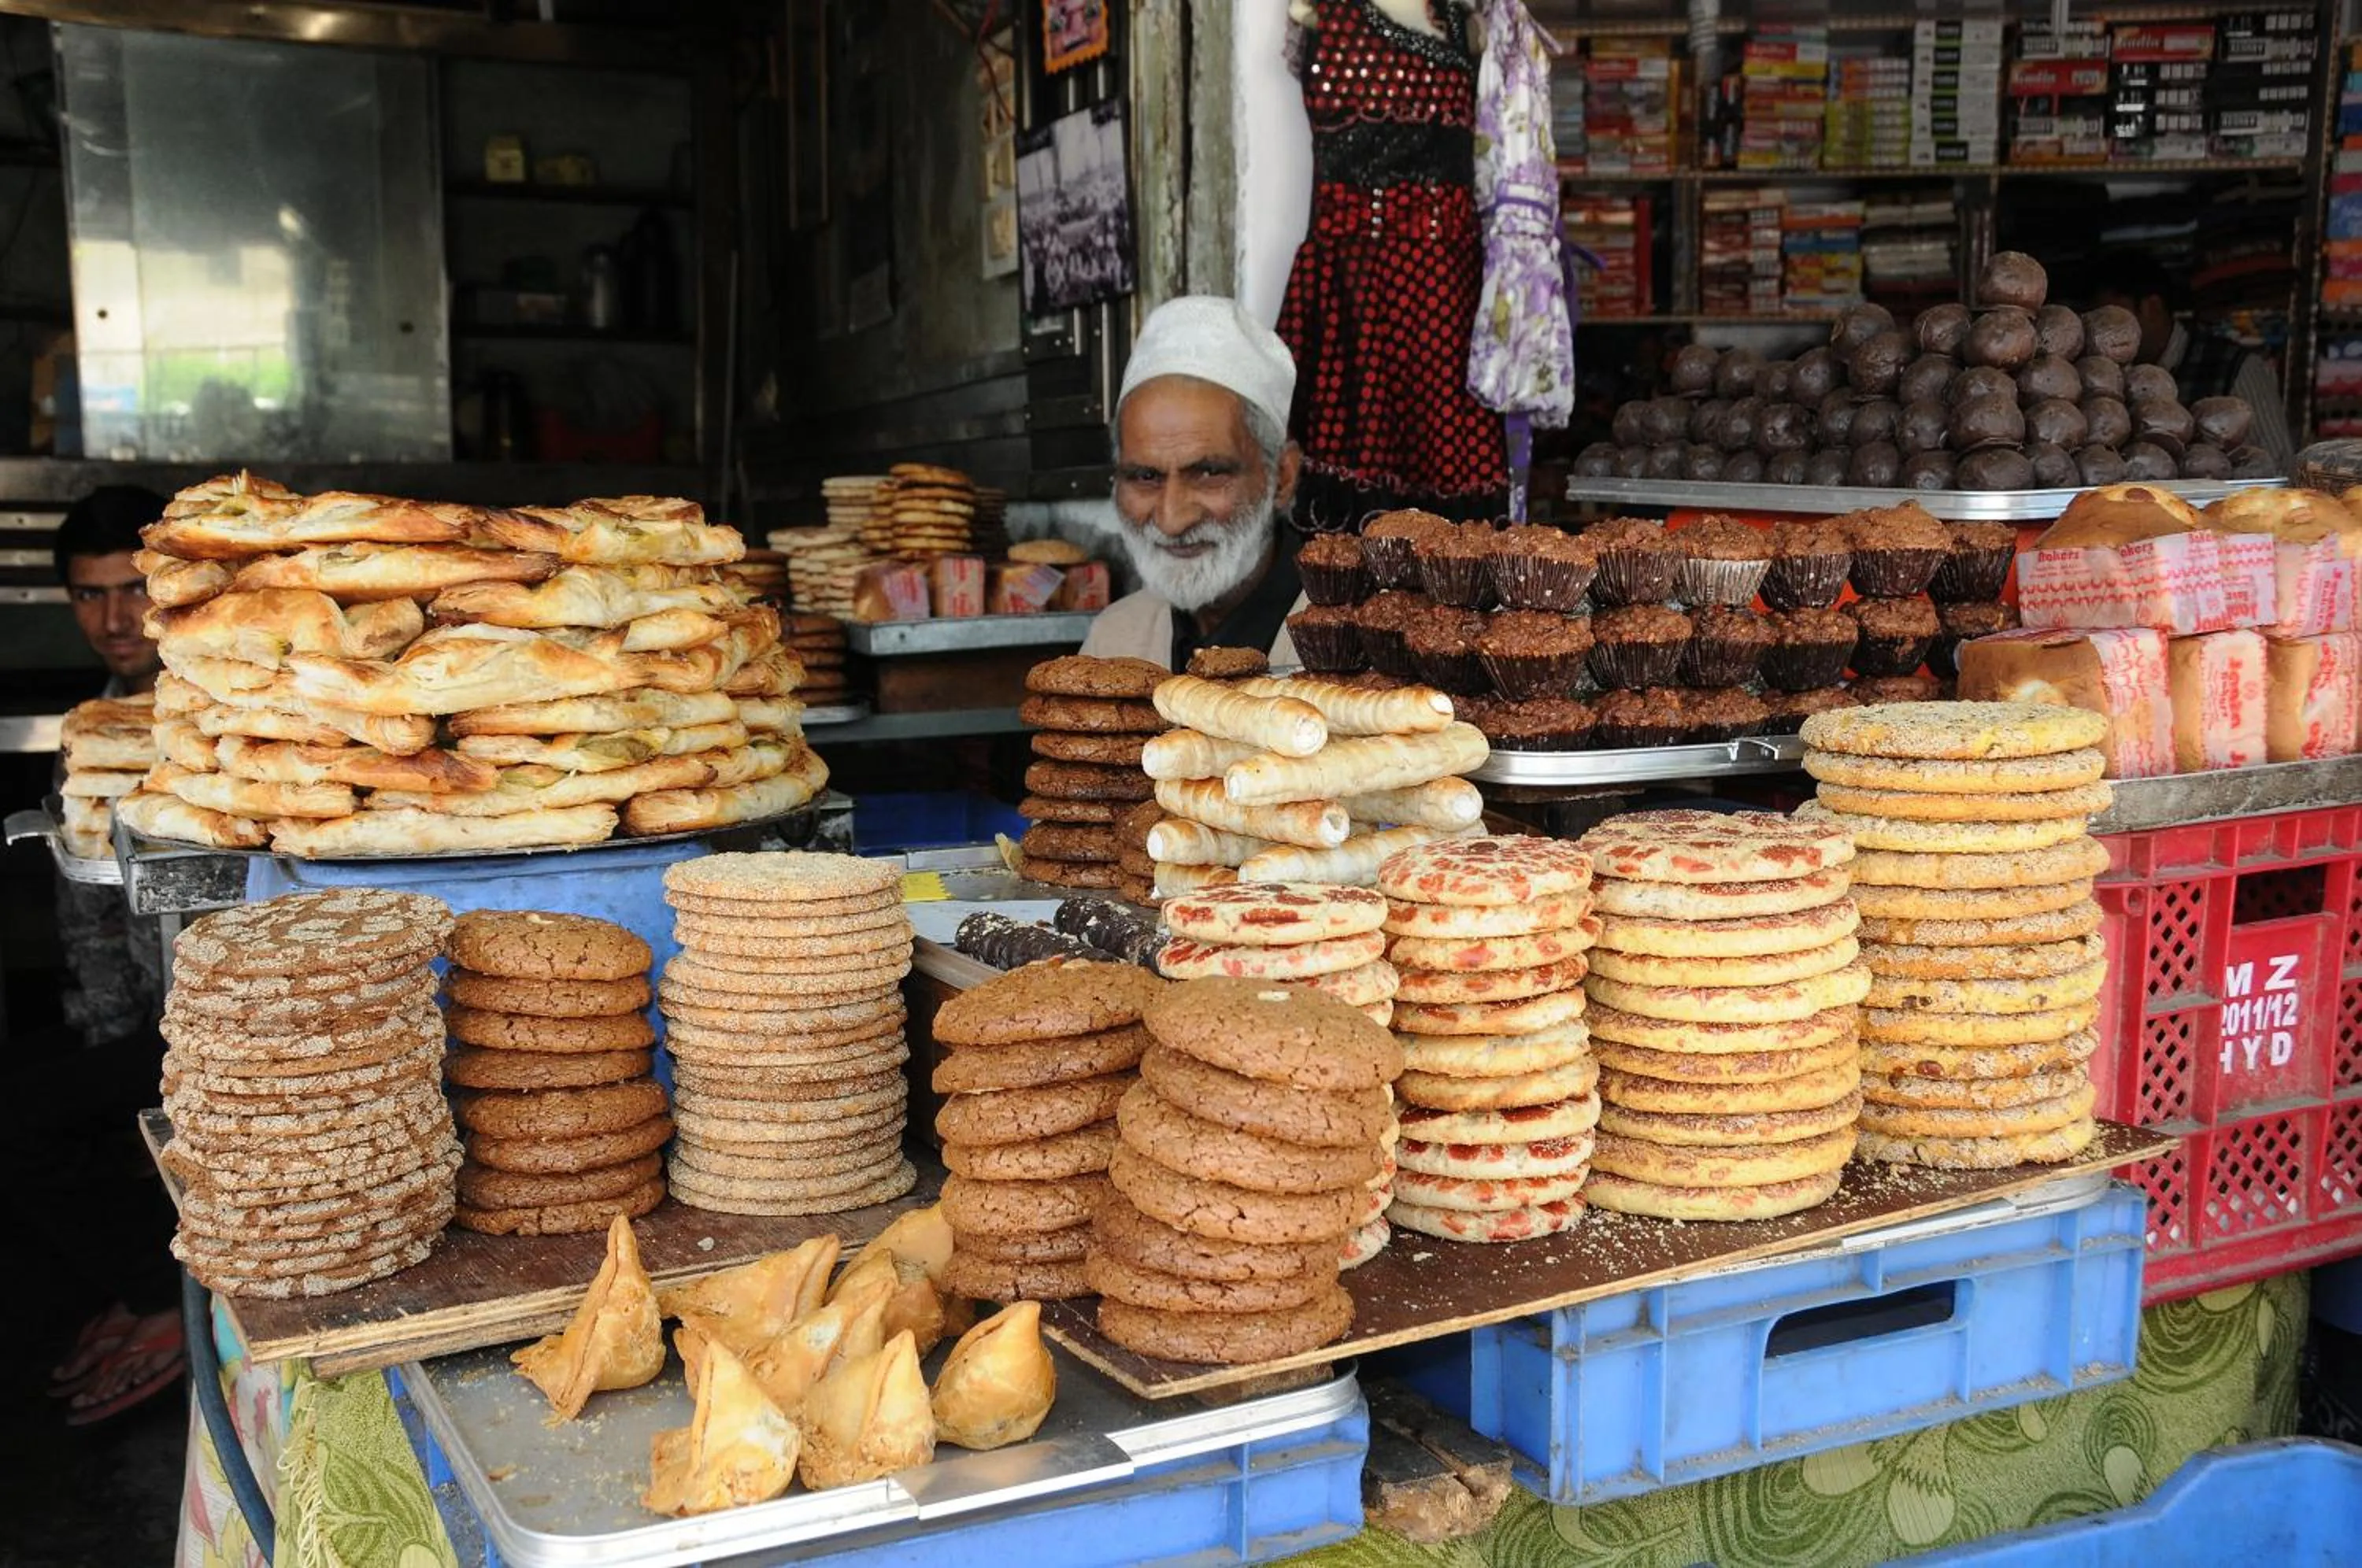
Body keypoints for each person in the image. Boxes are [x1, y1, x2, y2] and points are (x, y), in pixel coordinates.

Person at [43, 483, 183, 1424]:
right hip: (146, 1022)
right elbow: (86, 920)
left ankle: (166, 1306)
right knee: (65, 1123)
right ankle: (147, 1294)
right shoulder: (91, 730)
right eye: (91, 596)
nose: (117, 618)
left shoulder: (223, 718)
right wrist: (109, 1054)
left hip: (227, 1019)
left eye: (135, 589)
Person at [1081, 295, 1309, 671]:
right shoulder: (1115, 641)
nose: (1172, 520)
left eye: (1208, 473)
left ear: (1282, 477)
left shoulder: (1360, 644)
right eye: (1145, 476)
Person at [2088, 254, 2294, 474]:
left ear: (2151, 307)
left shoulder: (2236, 367)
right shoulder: (2108, 377)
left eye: (2112, 320)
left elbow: (2279, 464)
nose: (2101, 333)